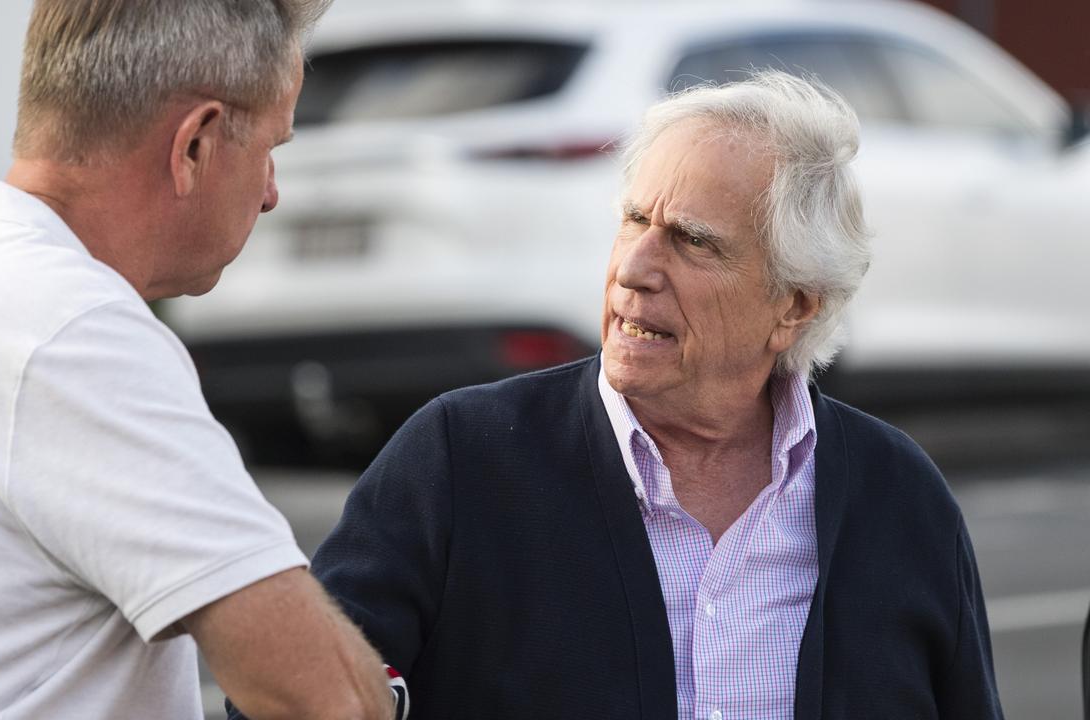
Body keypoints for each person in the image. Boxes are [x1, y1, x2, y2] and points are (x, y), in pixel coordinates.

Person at [307, 72, 1004, 719]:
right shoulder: (460, 461)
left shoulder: (900, 498)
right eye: (635, 221)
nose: (635, 269)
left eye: (693, 242)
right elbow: (290, 696)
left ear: (793, 306)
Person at [0, 1, 395, 718]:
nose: (272, 193)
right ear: (196, 145)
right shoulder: (69, 329)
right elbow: (326, 699)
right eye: (272, 147)